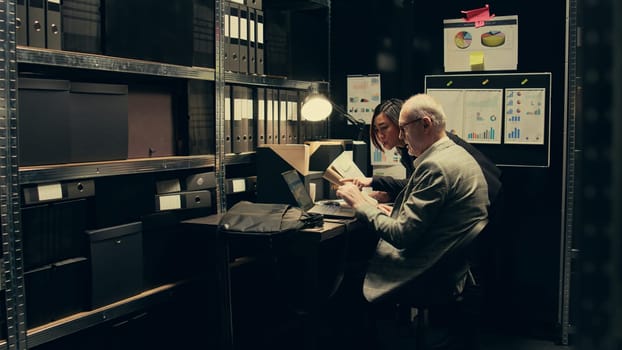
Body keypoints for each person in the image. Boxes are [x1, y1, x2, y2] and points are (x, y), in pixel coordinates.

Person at [334, 93, 491, 349]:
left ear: (425, 124)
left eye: (404, 129)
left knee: (345, 278)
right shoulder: (456, 154)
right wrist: (390, 211)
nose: (402, 138)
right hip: (450, 265)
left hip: (428, 269)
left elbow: (401, 235)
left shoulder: (435, 166)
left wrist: (360, 204)